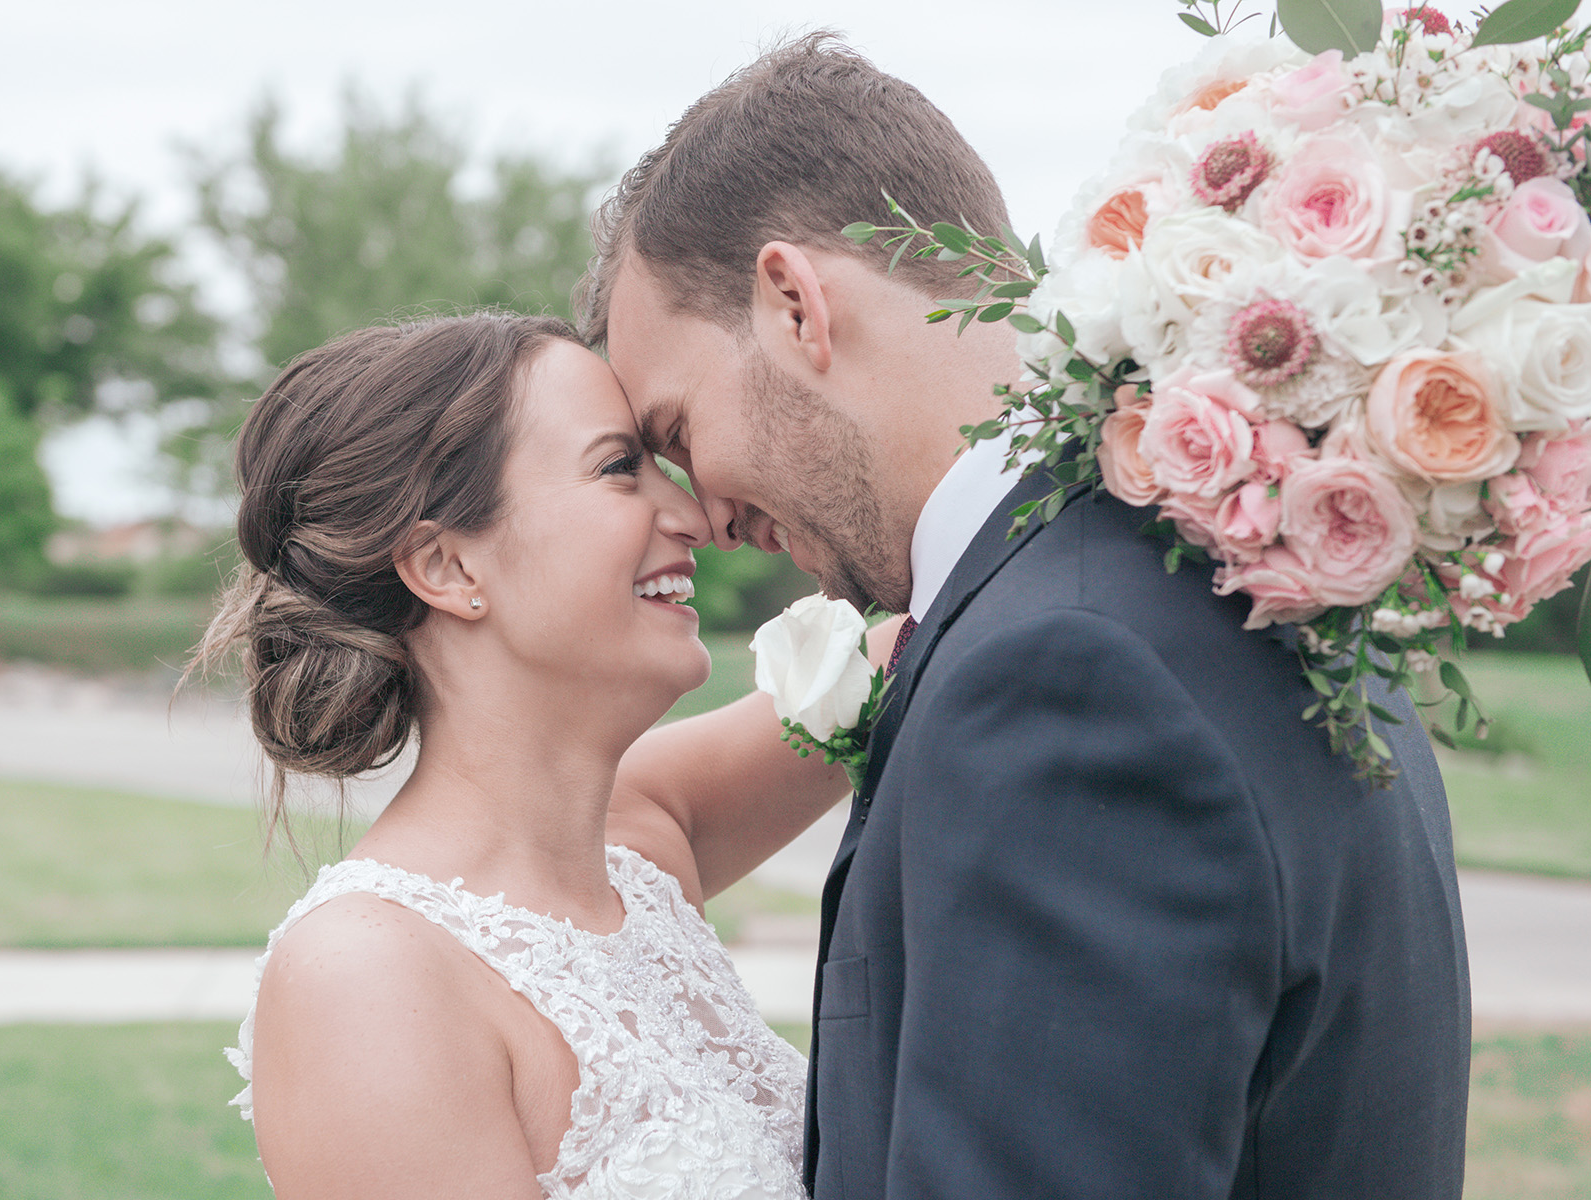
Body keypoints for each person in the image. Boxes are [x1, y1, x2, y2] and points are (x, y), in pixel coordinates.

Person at [584, 32, 1472, 1199]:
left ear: (795, 304)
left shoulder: (1068, 677)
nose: (700, 515)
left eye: (678, 432)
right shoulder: (1237, 581)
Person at [202, 313, 894, 1199]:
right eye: (619, 467)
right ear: (448, 567)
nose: (692, 516)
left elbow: (931, 634)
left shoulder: (643, 840)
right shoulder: (370, 975)